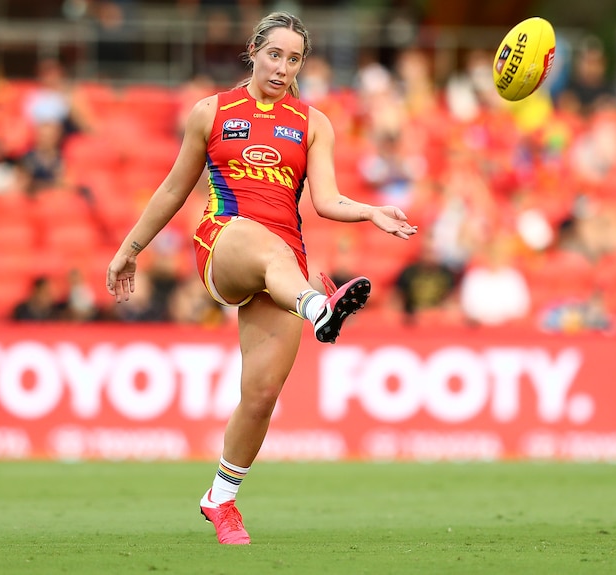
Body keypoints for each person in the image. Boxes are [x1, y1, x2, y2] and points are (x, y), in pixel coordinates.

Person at [104, 11, 417, 545]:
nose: (282, 67)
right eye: (275, 55)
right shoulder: (211, 112)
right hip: (225, 239)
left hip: (284, 264)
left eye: (294, 59)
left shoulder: (313, 122)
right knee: (262, 241)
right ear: (253, 51)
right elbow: (173, 189)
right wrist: (130, 249)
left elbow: (326, 201)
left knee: (262, 395)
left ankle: (220, 500)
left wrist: (370, 211)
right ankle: (320, 308)